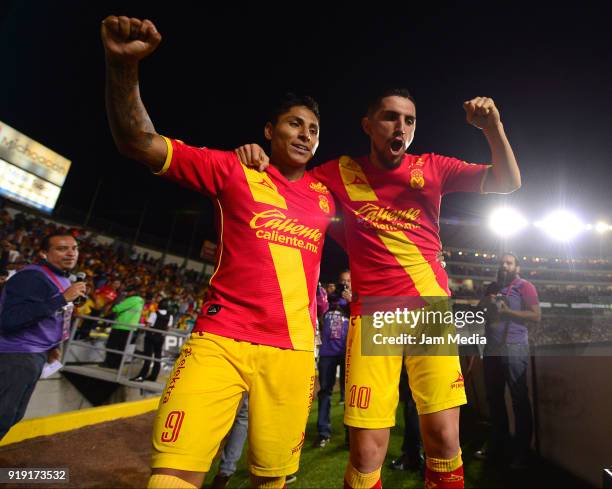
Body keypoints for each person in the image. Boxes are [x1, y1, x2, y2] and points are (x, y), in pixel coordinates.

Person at [237, 87, 521, 488]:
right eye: (390, 117)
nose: (400, 126)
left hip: (430, 312)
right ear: (368, 125)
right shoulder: (339, 172)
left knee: (443, 439)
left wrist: (493, 127)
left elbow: (509, 181)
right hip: (373, 317)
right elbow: (290, 180)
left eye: (409, 120)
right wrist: (258, 157)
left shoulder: (433, 167)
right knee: (367, 452)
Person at [102, 15, 333, 489]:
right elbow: (138, 141)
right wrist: (123, 67)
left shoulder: (328, 193)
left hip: (293, 353)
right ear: (269, 131)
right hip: (220, 341)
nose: (307, 134)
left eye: (313, 128)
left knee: (273, 481)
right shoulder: (234, 170)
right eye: (295, 123)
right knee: (171, 476)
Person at [0, 233, 86, 440]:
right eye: (61, 248)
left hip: (36, 353)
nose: (70, 253)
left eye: (74, 248)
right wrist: (63, 298)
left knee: (12, 415)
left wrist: (52, 345)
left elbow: (48, 316)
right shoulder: (32, 277)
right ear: (44, 253)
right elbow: (10, 319)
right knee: (3, 416)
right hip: (16, 354)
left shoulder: (61, 278)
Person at [474, 253, 540, 470]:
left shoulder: (525, 286)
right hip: (492, 348)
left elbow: (536, 315)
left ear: (517, 267)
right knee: (494, 398)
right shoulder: (491, 287)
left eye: (509, 262)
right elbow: (480, 314)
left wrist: (508, 310)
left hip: (514, 347)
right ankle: (497, 445)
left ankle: (522, 451)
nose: (504, 265)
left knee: (519, 400)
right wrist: (484, 305)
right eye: (502, 263)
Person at [315, 270, 351, 448]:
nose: (345, 284)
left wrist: (351, 301)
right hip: (328, 353)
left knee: (350, 396)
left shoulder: (354, 301)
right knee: (325, 393)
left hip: (347, 353)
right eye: (342, 281)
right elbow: (319, 310)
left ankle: (350, 435)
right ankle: (323, 432)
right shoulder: (329, 300)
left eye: (348, 281)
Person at [131, 298, 173, 382]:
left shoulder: (154, 314)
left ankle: (141, 376)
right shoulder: (170, 316)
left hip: (150, 337)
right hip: (160, 338)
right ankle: (153, 377)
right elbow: (168, 328)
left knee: (148, 357)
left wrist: (143, 330)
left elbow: (149, 325)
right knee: (157, 357)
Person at [102, 285, 145, 369]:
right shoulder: (140, 301)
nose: (127, 293)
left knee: (111, 345)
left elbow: (117, 308)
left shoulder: (132, 299)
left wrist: (113, 303)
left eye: (129, 291)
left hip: (121, 325)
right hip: (129, 327)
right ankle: (116, 365)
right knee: (121, 347)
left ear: (133, 292)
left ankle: (109, 364)